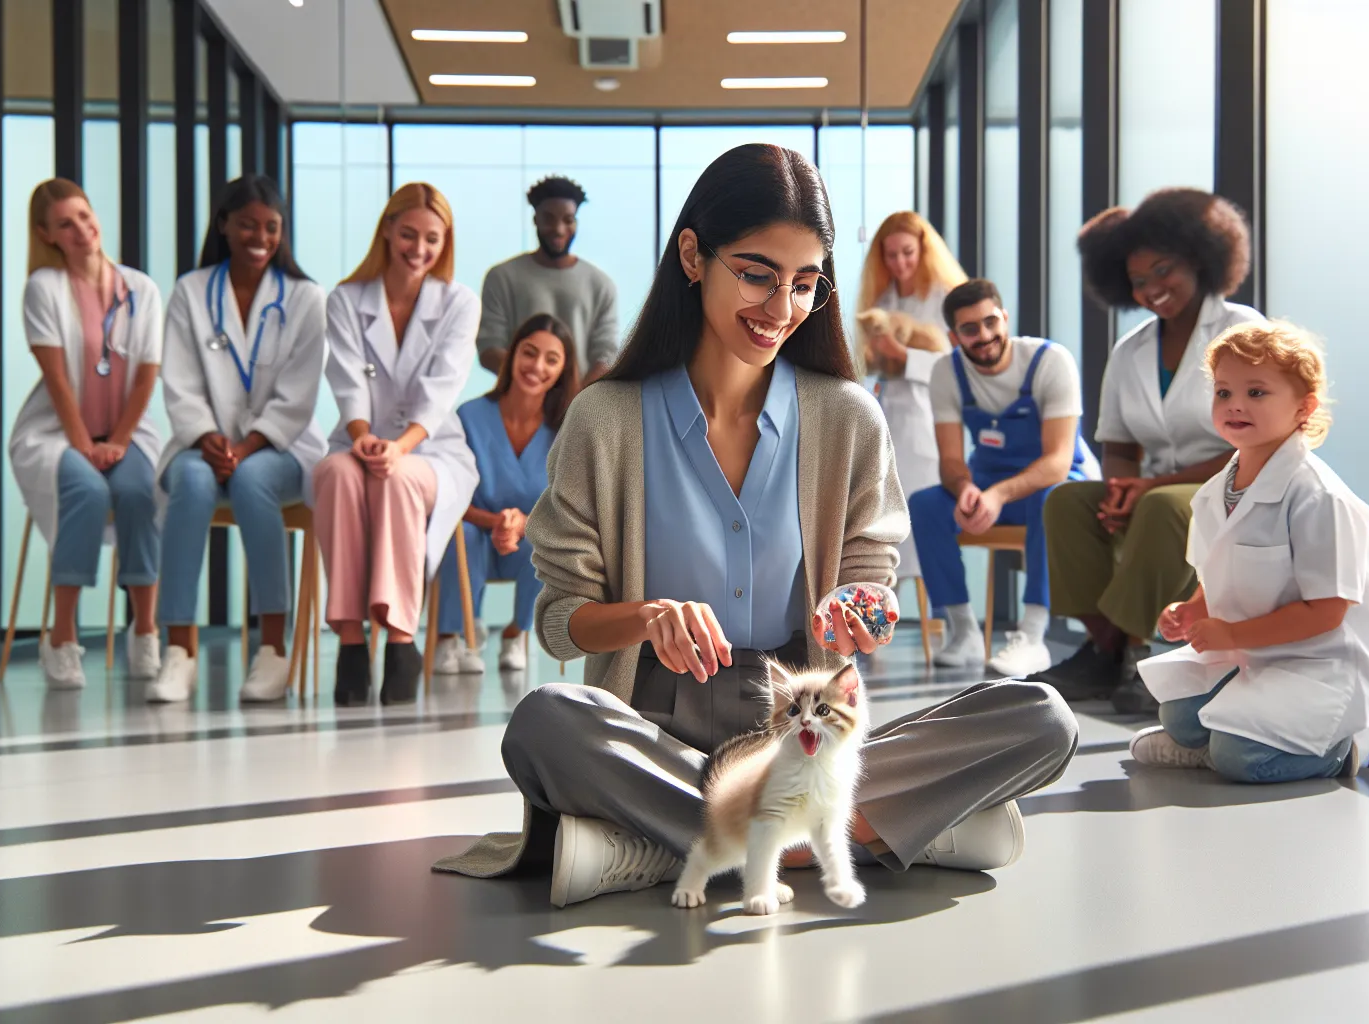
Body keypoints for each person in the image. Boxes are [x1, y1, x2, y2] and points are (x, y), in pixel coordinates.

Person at [433, 144, 1078, 909]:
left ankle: (663, 842)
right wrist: (647, 617)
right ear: (693, 256)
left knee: (1042, 717)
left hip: (802, 724)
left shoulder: (847, 418)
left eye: (805, 284)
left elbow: (870, 579)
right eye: (758, 273)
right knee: (546, 722)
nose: (781, 309)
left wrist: (865, 609)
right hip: (658, 724)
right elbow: (562, 625)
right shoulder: (604, 420)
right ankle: (856, 834)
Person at [1037, 188, 1264, 713]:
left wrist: (1147, 489)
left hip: (1235, 482)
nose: (1153, 289)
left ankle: (1142, 650)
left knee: (1163, 508)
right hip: (1153, 484)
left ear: (1200, 258)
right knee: (1067, 502)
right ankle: (1105, 646)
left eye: (1164, 271)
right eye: (1139, 281)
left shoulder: (1242, 330)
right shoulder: (1130, 349)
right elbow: (1118, 442)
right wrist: (1119, 490)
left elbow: (1253, 440)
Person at [1129, 321, 1369, 783]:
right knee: (1180, 718)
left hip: (1319, 668)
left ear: (1303, 408)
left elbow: (1326, 611)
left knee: (1240, 759)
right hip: (1256, 655)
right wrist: (1190, 609)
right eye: (1224, 393)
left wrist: (1231, 636)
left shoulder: (1319, 497)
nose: (1236, 405)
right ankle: (1215, 740)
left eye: (1257, 392)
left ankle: (1334, 752)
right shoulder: (1218, 490)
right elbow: (1222, 571)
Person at [151, 175, 328, 704]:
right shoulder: (191, 290)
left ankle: (273, 649)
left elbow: (300, 393)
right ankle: (178, 650)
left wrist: (247, 446)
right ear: (224, 224)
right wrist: (207, 437)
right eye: (248, 224)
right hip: (202, 443)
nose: (260, 236)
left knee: (252, 482)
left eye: (271, 227)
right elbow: (178, 380)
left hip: (281, 447)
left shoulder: (304, 297)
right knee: (188, 482)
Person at [318, 183, 481, 706]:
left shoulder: (458, 303)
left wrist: (399, 447)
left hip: (431, 451)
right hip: (359, 439)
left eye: (431, 239)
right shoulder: (346, 299)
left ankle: (400, 639)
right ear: (387, 229)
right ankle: (349, 641)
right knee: (336, 474)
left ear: (445, 241)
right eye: (408, 234)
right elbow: (346, 381)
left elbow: (442, 390)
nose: (418, 248)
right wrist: (364, 438)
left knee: (398, 481)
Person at [9, 178, 165, 691]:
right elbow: (55, 377)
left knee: (139, 492)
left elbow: (146, 375)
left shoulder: (141, 289)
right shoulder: (44, 288)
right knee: (86, 490)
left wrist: (117, 441)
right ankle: (62, 636)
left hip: (126, 431)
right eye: (64, 224)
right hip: (59, 431)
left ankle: (144, 631)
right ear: (46, 234)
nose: (80, 229)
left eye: (84, 215)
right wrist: (83, 444)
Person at [908, 280, 1097, 676]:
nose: (985, 336)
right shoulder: (947, 372)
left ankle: (1032, 636)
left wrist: (998, 495)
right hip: (988, 483)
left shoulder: (1050, 361)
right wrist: (965, 489)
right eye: (970, 329)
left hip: (1055, 485)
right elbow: (951, 461)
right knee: (925, 505)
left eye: (991, 322)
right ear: (953, 336)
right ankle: (964, 632)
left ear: (1004, 318)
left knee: (1054, 501)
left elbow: (1058, 462)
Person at [431, 314, 580, 676]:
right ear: (512, 355)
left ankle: (516, 634)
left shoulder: (567, 429)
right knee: (459, 535)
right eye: (529, 353)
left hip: (525, 543)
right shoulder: (469, 417)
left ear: (563, 370)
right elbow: (448, 495)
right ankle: (451, 636)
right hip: (473, 536)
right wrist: (496, 521)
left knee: (545, 540)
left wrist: (523, 524)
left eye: (551, 359)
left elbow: (569, 508)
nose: (537, 366)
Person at [856, 211, 968, 585]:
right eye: (891, 256)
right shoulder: (883, 299)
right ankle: (877, 616)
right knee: (886, 526)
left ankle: (949, 621)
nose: (900, 263)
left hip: (927, 424)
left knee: (923, 528)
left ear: (923, 249)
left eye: (907, 252)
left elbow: (958, 367)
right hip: (888, 420)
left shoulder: (944, 299)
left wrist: (902, 356)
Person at [476, 176, 620, 381]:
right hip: (518, 407)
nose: (559, 229)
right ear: (535, 219)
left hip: (579, 406)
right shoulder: (502, 277)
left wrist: (574, 402)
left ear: (576, 222)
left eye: (568, 220)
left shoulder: (601, 284)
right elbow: (489, 347)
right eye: (549, 218)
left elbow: (607, 354)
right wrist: (532, 385)